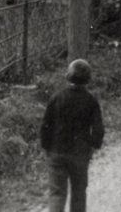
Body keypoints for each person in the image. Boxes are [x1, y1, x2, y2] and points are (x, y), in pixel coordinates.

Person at [40, 59, 105, 212]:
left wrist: (46, 147)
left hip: (57, 152)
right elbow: (98, 129)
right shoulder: (91, 100)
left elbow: (45, 125)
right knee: (79, 193)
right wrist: (94, 144)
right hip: (79, 154)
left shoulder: (57, 97)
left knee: (57, 193)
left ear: (68, 76)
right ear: (88, 79)